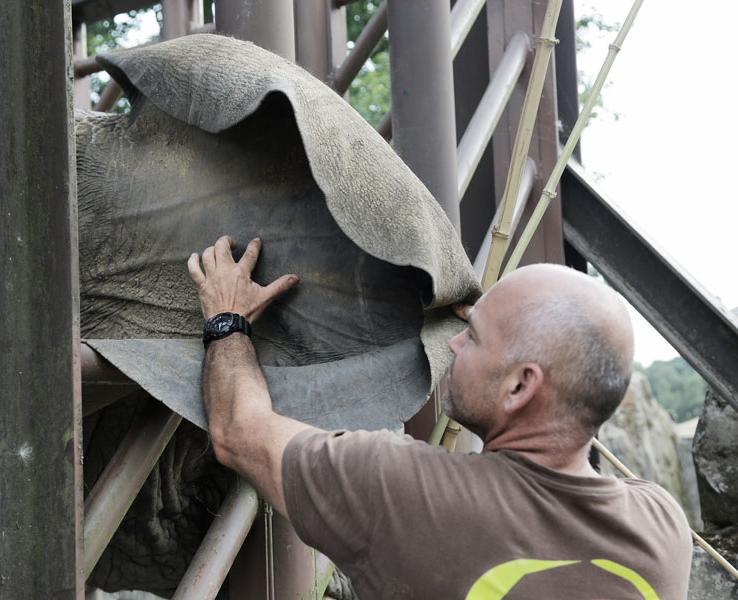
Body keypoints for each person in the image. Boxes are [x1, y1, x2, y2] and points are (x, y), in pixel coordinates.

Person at [187, 235, 692, 599]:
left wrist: (227, 319)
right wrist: (500, 331)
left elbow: (238, 431)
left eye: (472, 337)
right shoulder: (664, 526)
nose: (452, 342)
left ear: (520, 386)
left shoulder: (401, 491)